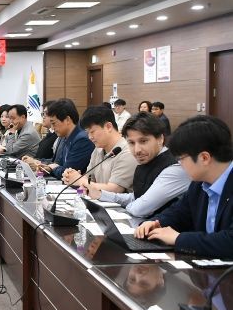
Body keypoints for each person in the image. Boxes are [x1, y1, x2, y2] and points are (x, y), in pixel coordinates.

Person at [134, 116, 233, 258]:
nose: (179, 164)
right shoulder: (199, 184)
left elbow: (229, 241)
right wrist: (155, 223)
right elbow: (179, 213)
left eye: (181, 159)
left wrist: (178, 239)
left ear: (204, 158)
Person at [87, 112, 189, 224]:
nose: (137, 150)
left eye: (143, 141)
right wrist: (101, 194)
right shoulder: (148, 160)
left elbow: (140, 208)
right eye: (131, 143)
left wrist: (122, 208)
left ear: (160, 139)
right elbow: (137, 197)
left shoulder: (175, 168)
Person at [62, 105, 136, 193]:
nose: (90, 137)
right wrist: (72, 179)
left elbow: (115, 189)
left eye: (92, 132)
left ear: (108, 127)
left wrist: (80, 180)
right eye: (87, 133)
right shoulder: (98, 149)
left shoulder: (127, 152)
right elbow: (89, 181)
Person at [22, 98, 94, 178]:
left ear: (67, 120)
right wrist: (46, 166)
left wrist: (52, 168)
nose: (52, 128)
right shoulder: (65, 137)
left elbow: (67, 172)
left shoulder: (82, 140)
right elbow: (58, 163)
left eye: (54, 123)